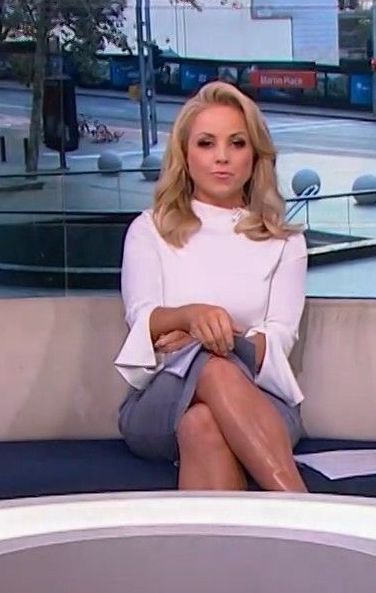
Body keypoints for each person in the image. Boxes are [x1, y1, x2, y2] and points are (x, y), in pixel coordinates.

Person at [114, 80, 310, 492]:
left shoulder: (285, 242)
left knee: (203, 421)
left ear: (255, 156)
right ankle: (303, 508)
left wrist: (205, 337)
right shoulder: (149, 230)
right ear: (185, 155)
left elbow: (278, 340)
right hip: (160, 403)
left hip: (261, 401)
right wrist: (192, 316)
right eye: (206, 143)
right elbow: (143, 322)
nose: (222, 157)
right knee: (213, 367)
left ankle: (237, 537)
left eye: (237, 143)